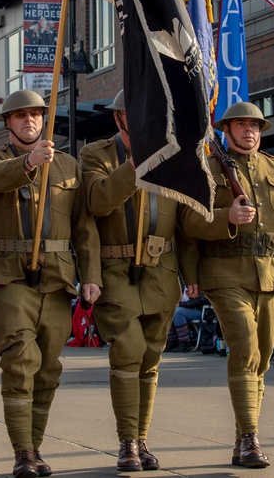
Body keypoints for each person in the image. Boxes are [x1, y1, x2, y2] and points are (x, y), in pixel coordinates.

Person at [0, 90, 101, 478]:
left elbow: (85, 226)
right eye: (20, 116)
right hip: (10, 276)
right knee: (20, 360)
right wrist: (29, 162)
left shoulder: (67, 165)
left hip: (57, 278)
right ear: (8, 123)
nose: (29, 120)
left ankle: (36, 445)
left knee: (48, 368)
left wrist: (90, 274)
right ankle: (23, 452)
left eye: (35, 115)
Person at [179, 102, 274, 469]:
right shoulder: (207, 169)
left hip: (270, 274)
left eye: (254, 125)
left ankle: (241, 441)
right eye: (240, 125)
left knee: (262, 359)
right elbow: (188, 222)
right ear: (227, 130)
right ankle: (251, 438)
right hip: (223, 272)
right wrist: (226, 218)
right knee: (246, 348)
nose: (249, 131)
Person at [79, 89, 193, 472]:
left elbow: (184, 222)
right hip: (115, 270)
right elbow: (97, 202)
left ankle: (141, 440)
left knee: (149, 360)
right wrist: (136, 162)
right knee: (127, 351)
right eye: (138, 111)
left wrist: (190, 275)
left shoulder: (172, 151)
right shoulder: (96, 154)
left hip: (161, 273)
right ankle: (127, 442)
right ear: (120, 118)